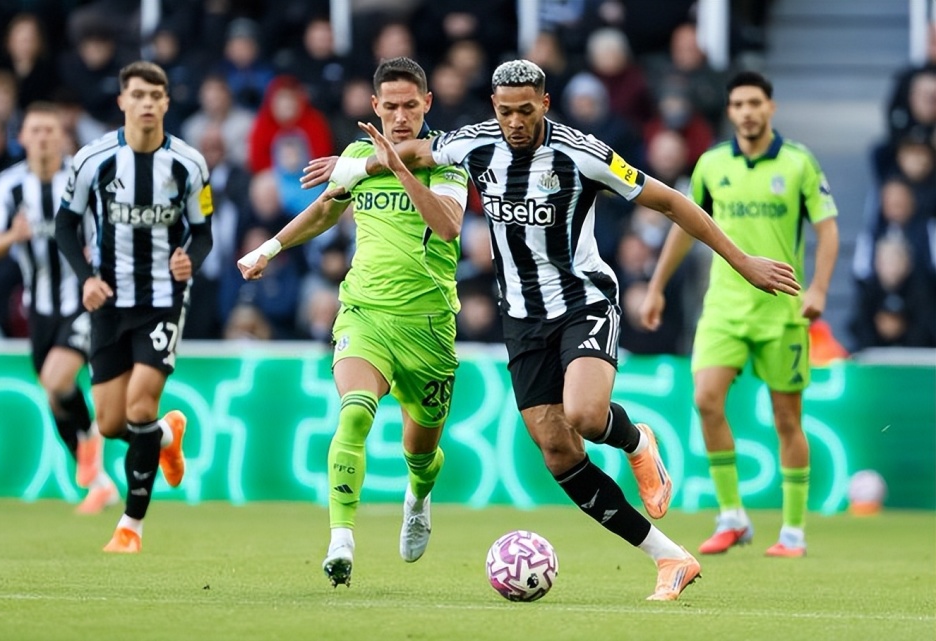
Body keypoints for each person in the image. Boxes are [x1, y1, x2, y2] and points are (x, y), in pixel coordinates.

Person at [306, 59, 800, 600]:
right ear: (493, 108)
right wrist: (352, 167)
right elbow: (414, 152)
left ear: (544, 104)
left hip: (583, 301)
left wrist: (741, 260)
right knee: (559, 452)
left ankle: (636, 441)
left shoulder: (581, 153)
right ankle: (669, 557)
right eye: (505, 112)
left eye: (525, 110)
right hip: (522, 318)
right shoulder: (473, 143)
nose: (515, 122)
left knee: (585, 415)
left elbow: (670, 201)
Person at [237, 57, 470, 588]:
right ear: (374, 107)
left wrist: (395, 167)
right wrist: (269, 248)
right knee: (355, 414)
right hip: (364, 313)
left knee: (421, 453)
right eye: (390, 107)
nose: (401, 116)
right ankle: (341, 538)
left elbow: (449, 226)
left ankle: (418, 497)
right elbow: (325, 211)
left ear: (428, 103)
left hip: (429, 326)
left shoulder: (447, 157)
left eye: (410, 106)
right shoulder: (355, 155)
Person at [640, 71, 840, 558]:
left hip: (781, 311)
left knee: (787, 418)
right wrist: (657, 286)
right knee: (706, 399)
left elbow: (827, 228)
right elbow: (684, 226)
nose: (747, 112)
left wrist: (818, 287)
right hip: (724, 308)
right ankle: (732, 516)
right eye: (738, 104)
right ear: (729, 111)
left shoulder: (798, 163)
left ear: (770, 108)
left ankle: (793, 531)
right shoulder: (711, 164)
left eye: (755, 103)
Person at [54, 61, 214, 553]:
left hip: (163, 300)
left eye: (155, 95)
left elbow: (203, 232)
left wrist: (190, 259)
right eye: (138, 95)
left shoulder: (189, 164)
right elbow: (65, 225)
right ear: (123, 101)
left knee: (141, 404)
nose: (147, 103)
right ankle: (165, 435)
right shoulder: (93, 159)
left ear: (166, 103)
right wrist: (86, 279)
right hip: (108, 301)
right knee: (110, 423)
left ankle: (130, 526)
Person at [0, 101, 117, 514]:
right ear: (22, 137)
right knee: (54, 395)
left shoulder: (83, 179)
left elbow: (111, 229)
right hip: (39, 308)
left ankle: (91, 444)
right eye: (35, 130)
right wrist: (13, 236)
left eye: (50, 130)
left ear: (62, 137)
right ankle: (98, 482)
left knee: (57, 380)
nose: (43, 138)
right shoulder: (10, 185)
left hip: (83, 299)